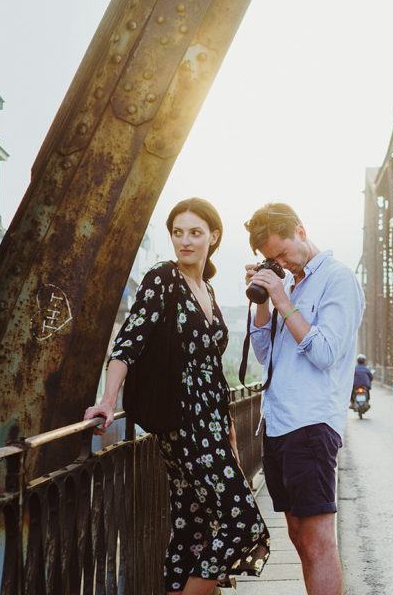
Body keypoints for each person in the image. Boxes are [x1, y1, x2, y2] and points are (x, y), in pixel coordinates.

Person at [83, 198, 270, 595]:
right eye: (178, 232)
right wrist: (107, 398)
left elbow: (214, 372)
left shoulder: (208, 288)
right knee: (241, 524)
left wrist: (229, 433)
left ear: (213, 238)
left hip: (212, 423)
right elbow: (127, 343)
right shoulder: (162, 278)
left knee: (193, 527)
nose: (184, 241)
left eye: (195, 233)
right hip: (182, 421)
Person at [244, 202, 364, 595]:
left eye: (282, 254)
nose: (280, 262)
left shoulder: (337, 279)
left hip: (311, 423)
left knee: (317, 540)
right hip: (277, 422)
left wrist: (282, 299)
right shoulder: (289, 284)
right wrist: (264, 300)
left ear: (300, 230)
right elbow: (264, 353)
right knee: (297, 534)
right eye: (270, 259)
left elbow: (325, 352)